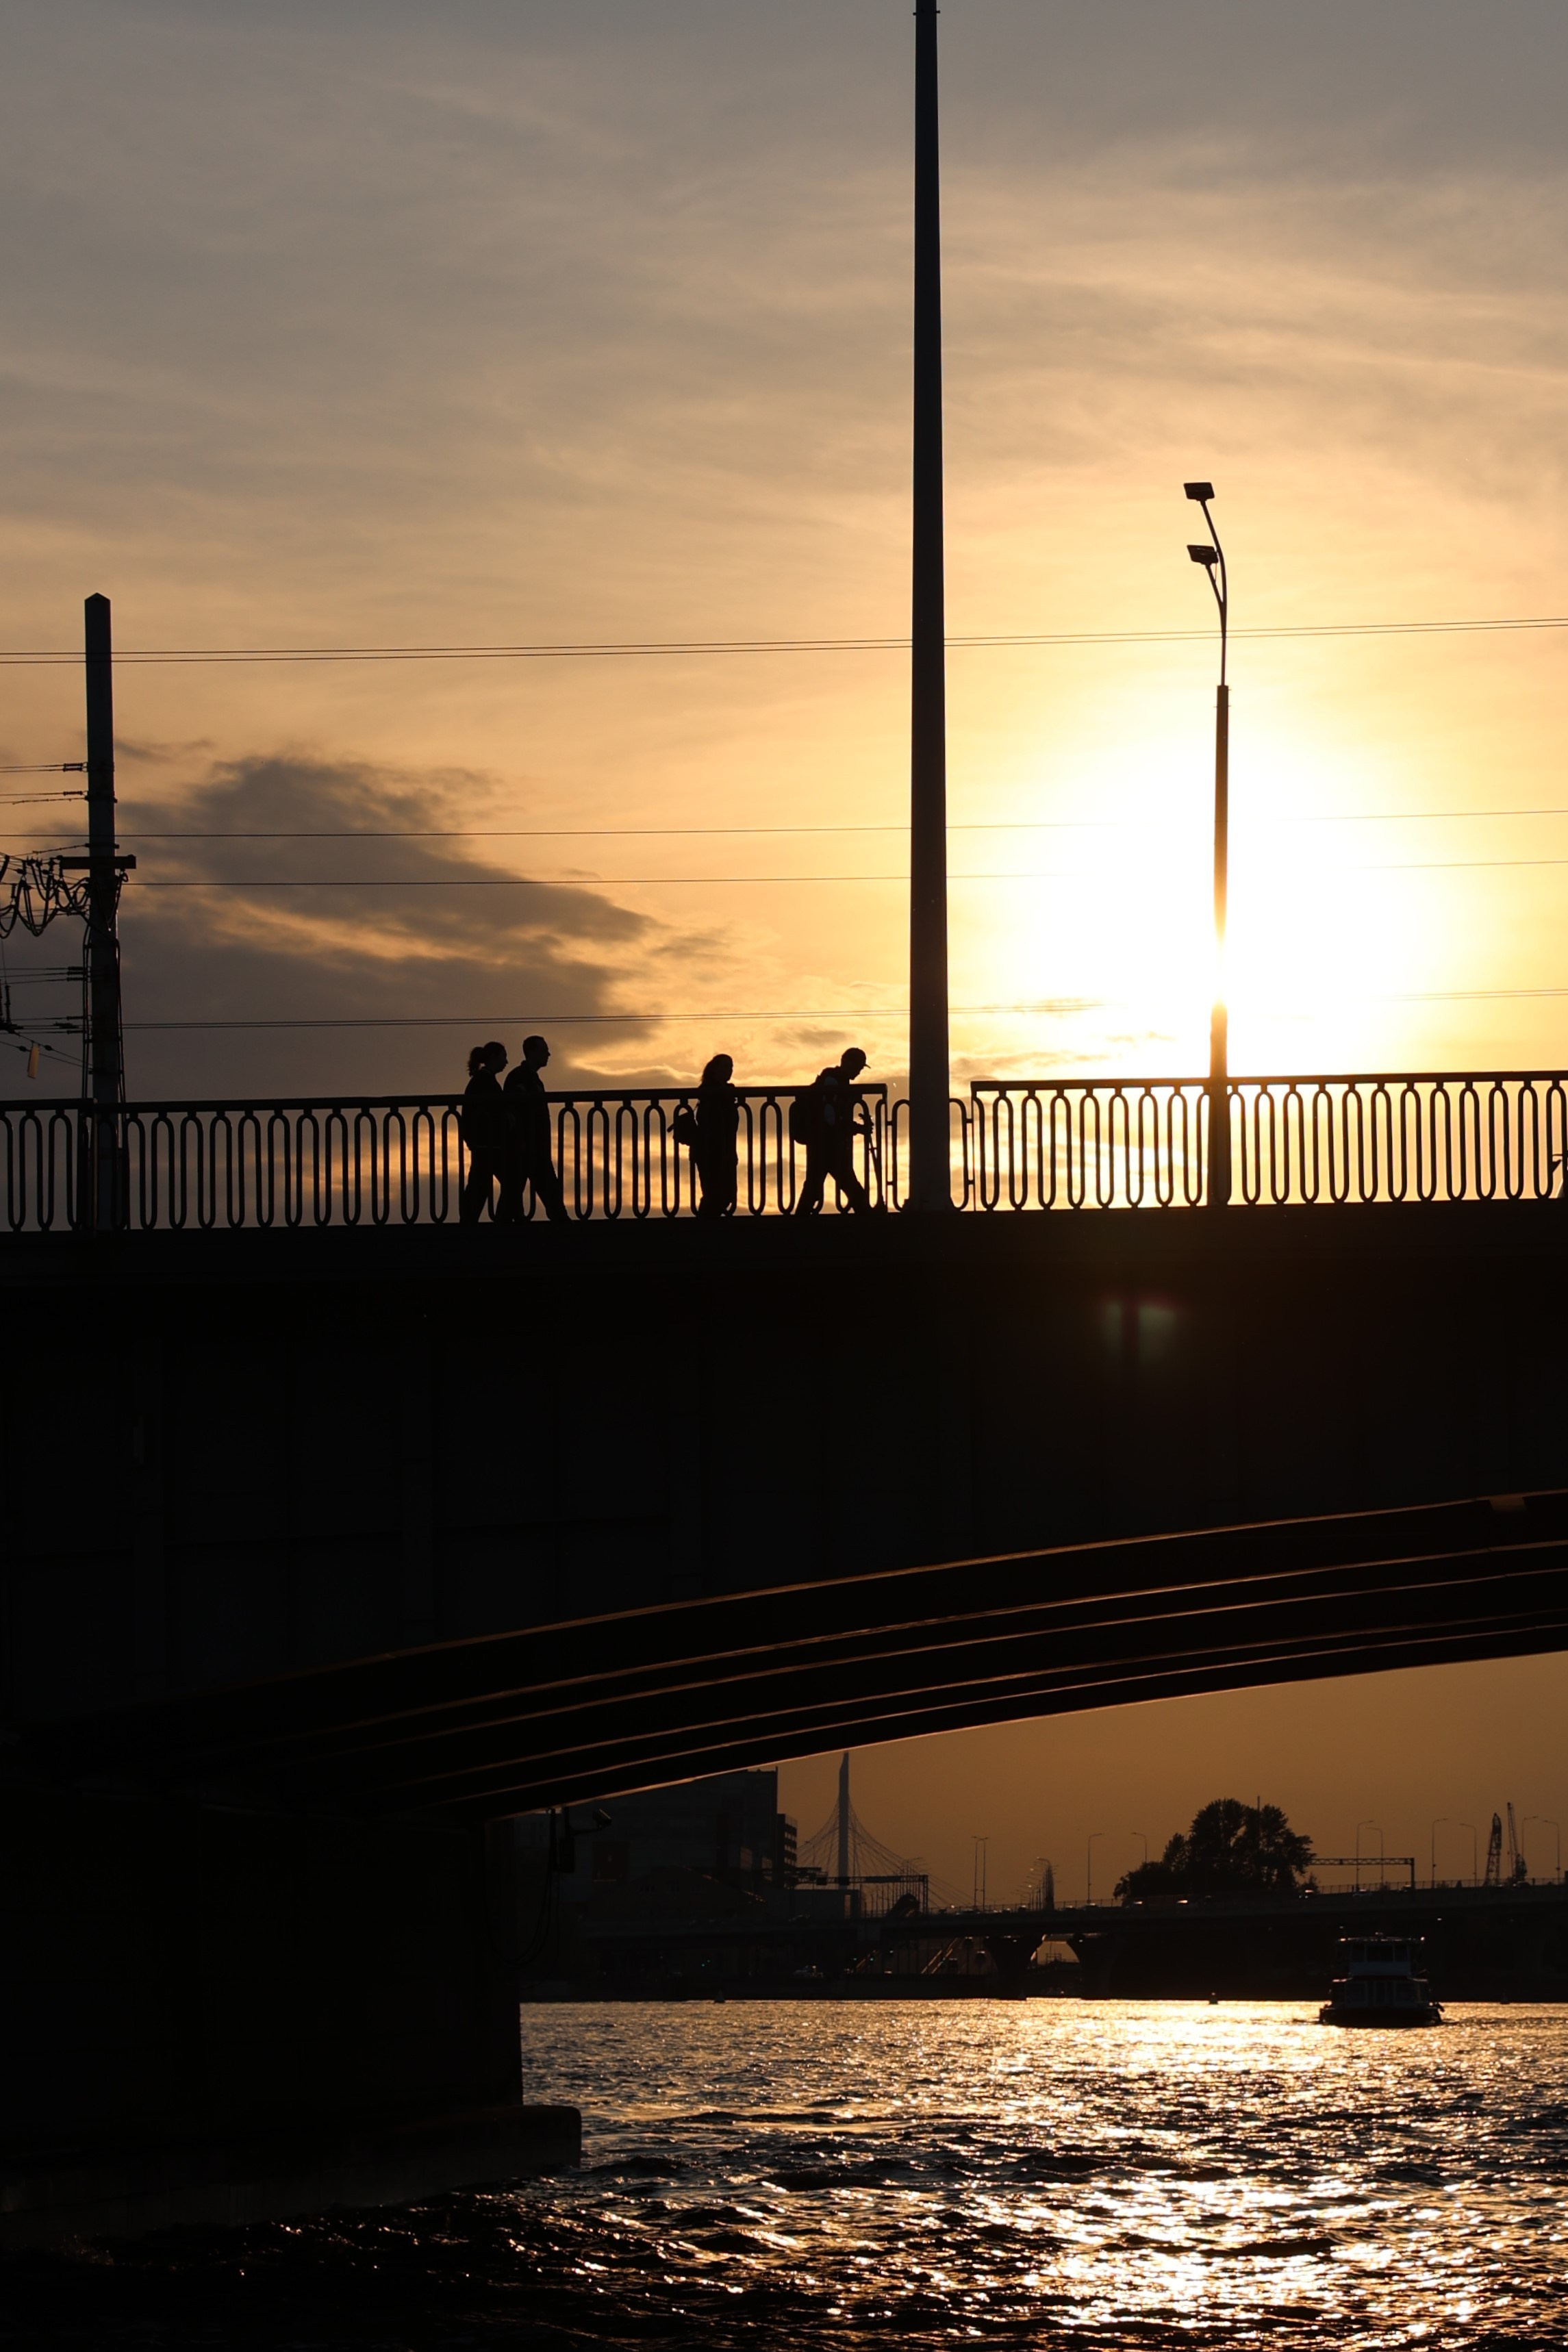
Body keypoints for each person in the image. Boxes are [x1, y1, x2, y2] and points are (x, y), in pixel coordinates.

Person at [792, 1046, 877, 1215]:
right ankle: (871, 1224)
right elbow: (829, 1115)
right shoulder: (833, 1080)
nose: (859, 1072)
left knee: (814, 1187)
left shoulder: (836, 1079)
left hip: (824, 1142)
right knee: (848, 1187)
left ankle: (797, 1225)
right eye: (858, 1067)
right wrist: (854, 1128)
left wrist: (853, 1127)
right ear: (847, 1063)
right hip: (828, 1143)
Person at [500, 1033, 570, 1224]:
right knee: (539, 1195)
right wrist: (520, 1141)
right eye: (544, 1050)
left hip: (533, 1148)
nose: (549, 1054)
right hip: (527, 1148)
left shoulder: (529, 1078)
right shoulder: (520, 1078)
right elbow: (514, 1112)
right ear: (531, 1053)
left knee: (513, 1196)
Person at [459, 1041, 507, 1224]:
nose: (506, 1061)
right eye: (503, 1056)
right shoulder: (485, 1082)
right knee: (507, 1181)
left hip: (483, 1144)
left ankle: (468, 1222)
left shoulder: (481, 1080)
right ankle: (501, 1221)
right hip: (488, 1144)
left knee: (481, 1183)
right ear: (493, 1058)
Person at [690, 1052, 739, 1219]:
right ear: (715, 1069)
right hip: (710, 1151)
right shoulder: (709, 1092)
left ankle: (705, 1227)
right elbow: (714, 1123)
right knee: (716, 1194)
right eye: (726, 1066)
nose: (730, 1070)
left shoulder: (723, 1092)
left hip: (722, 1151)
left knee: (723, 1195)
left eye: (731, 1066)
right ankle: (704, 1229)